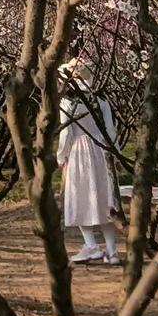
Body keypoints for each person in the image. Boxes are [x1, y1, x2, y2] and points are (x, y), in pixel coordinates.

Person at [57, 58, 121, 266]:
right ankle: (112, 252)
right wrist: (115, 153)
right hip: (102, 149)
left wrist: (61, 156)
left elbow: (66, 133)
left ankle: (91, 245)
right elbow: (110, 130)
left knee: (81, 198)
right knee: (106, 200)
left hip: (79, 151)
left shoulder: (68, 100)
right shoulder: (101, 99)